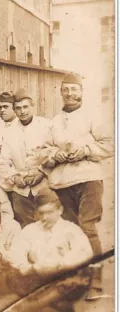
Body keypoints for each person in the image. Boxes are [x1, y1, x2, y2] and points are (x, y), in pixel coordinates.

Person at [41, 72, 113, 263]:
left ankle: (95, 278)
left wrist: (86, 150)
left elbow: (110, 144)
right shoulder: (54, 122)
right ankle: (77, 278)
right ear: (61, 93)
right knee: (70, 229)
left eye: (74, 89)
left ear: (81, 91)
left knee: (87, 226)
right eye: (66, 90)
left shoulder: (92, 117)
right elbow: (43, 150)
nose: (69, 93)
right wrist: (54, 154)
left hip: (89, 179)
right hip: (62, 183)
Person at [7, 189, 94, 312]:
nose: (44, 217)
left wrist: (61, 264)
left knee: (82, 275)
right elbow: (16, 251)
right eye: (41, 213)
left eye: (49, 212)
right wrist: (24, 266)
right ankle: (61, 305)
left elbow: (86, 253)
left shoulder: (71, 229)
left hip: (63, 275)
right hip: (39, 277)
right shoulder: (30, 230)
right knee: (11, 276)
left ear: (60, 210)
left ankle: (36, 304)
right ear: (36, 213)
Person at [0, 88, 52, 227]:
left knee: (48, 225)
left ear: (32, 106)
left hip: (43, 185)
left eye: (25, 107)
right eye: (18, 108)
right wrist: (15, 178)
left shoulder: (46, 126)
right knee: (26, 228)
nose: (22, 111)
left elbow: (53, 153)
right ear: (14, 110)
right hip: (21, 190)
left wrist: (42, 173)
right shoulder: (9, 132)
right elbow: (4, 163)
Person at [0, 92, 20, 205]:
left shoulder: (20, 126)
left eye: (5, 107)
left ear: (13, 108)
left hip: (17, 182)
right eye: (0, 107)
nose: (2, 110)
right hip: (1, 181)